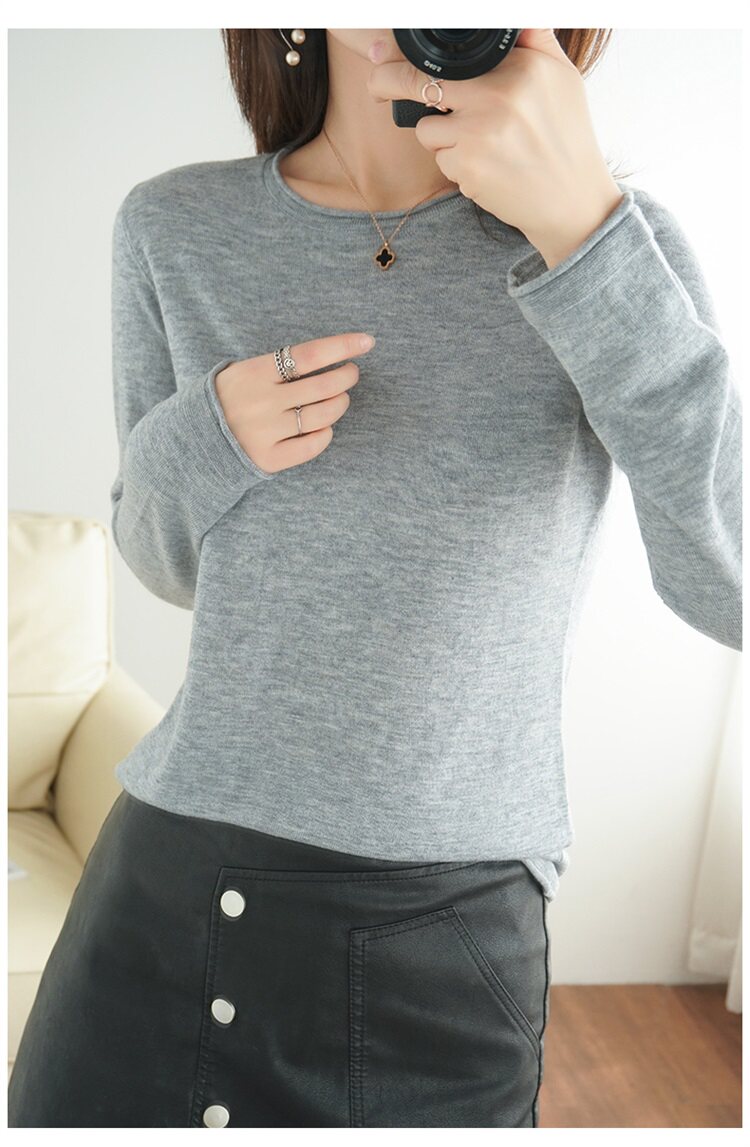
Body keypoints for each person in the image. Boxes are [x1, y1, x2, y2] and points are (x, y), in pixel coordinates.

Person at [8, 27, 742, 1129]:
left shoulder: (607, 244)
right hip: (160, 889)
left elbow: (730, 583)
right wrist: (211, 432)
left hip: (438, 937)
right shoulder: (173, 225)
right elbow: (164, 562)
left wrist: (584, 231)